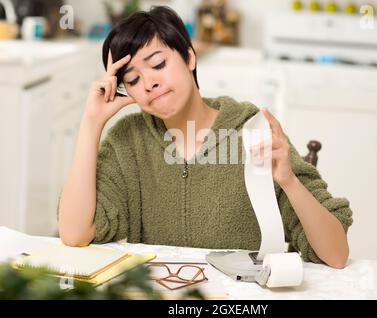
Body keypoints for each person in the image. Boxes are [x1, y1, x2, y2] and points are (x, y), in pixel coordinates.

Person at [57, 6, 353, 269]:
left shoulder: (252, 130)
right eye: (132, 80)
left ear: (188, 58)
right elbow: (74, 233)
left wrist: (289, 181)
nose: (149, 83)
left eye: (158, 64)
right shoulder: (127, 140)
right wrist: (91, 124)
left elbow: (336, 255)